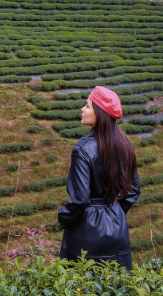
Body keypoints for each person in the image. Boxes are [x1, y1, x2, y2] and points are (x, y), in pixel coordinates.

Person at [57, 85, 140, 269]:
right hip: (118, 230)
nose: (82, 109)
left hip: (87, 234)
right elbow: (134, 190)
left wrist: (63, 218)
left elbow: (80, 199)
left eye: (87, 106)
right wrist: (114, 211)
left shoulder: (82, 149)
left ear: (99, 112)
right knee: (117, 286)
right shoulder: (125, 144)